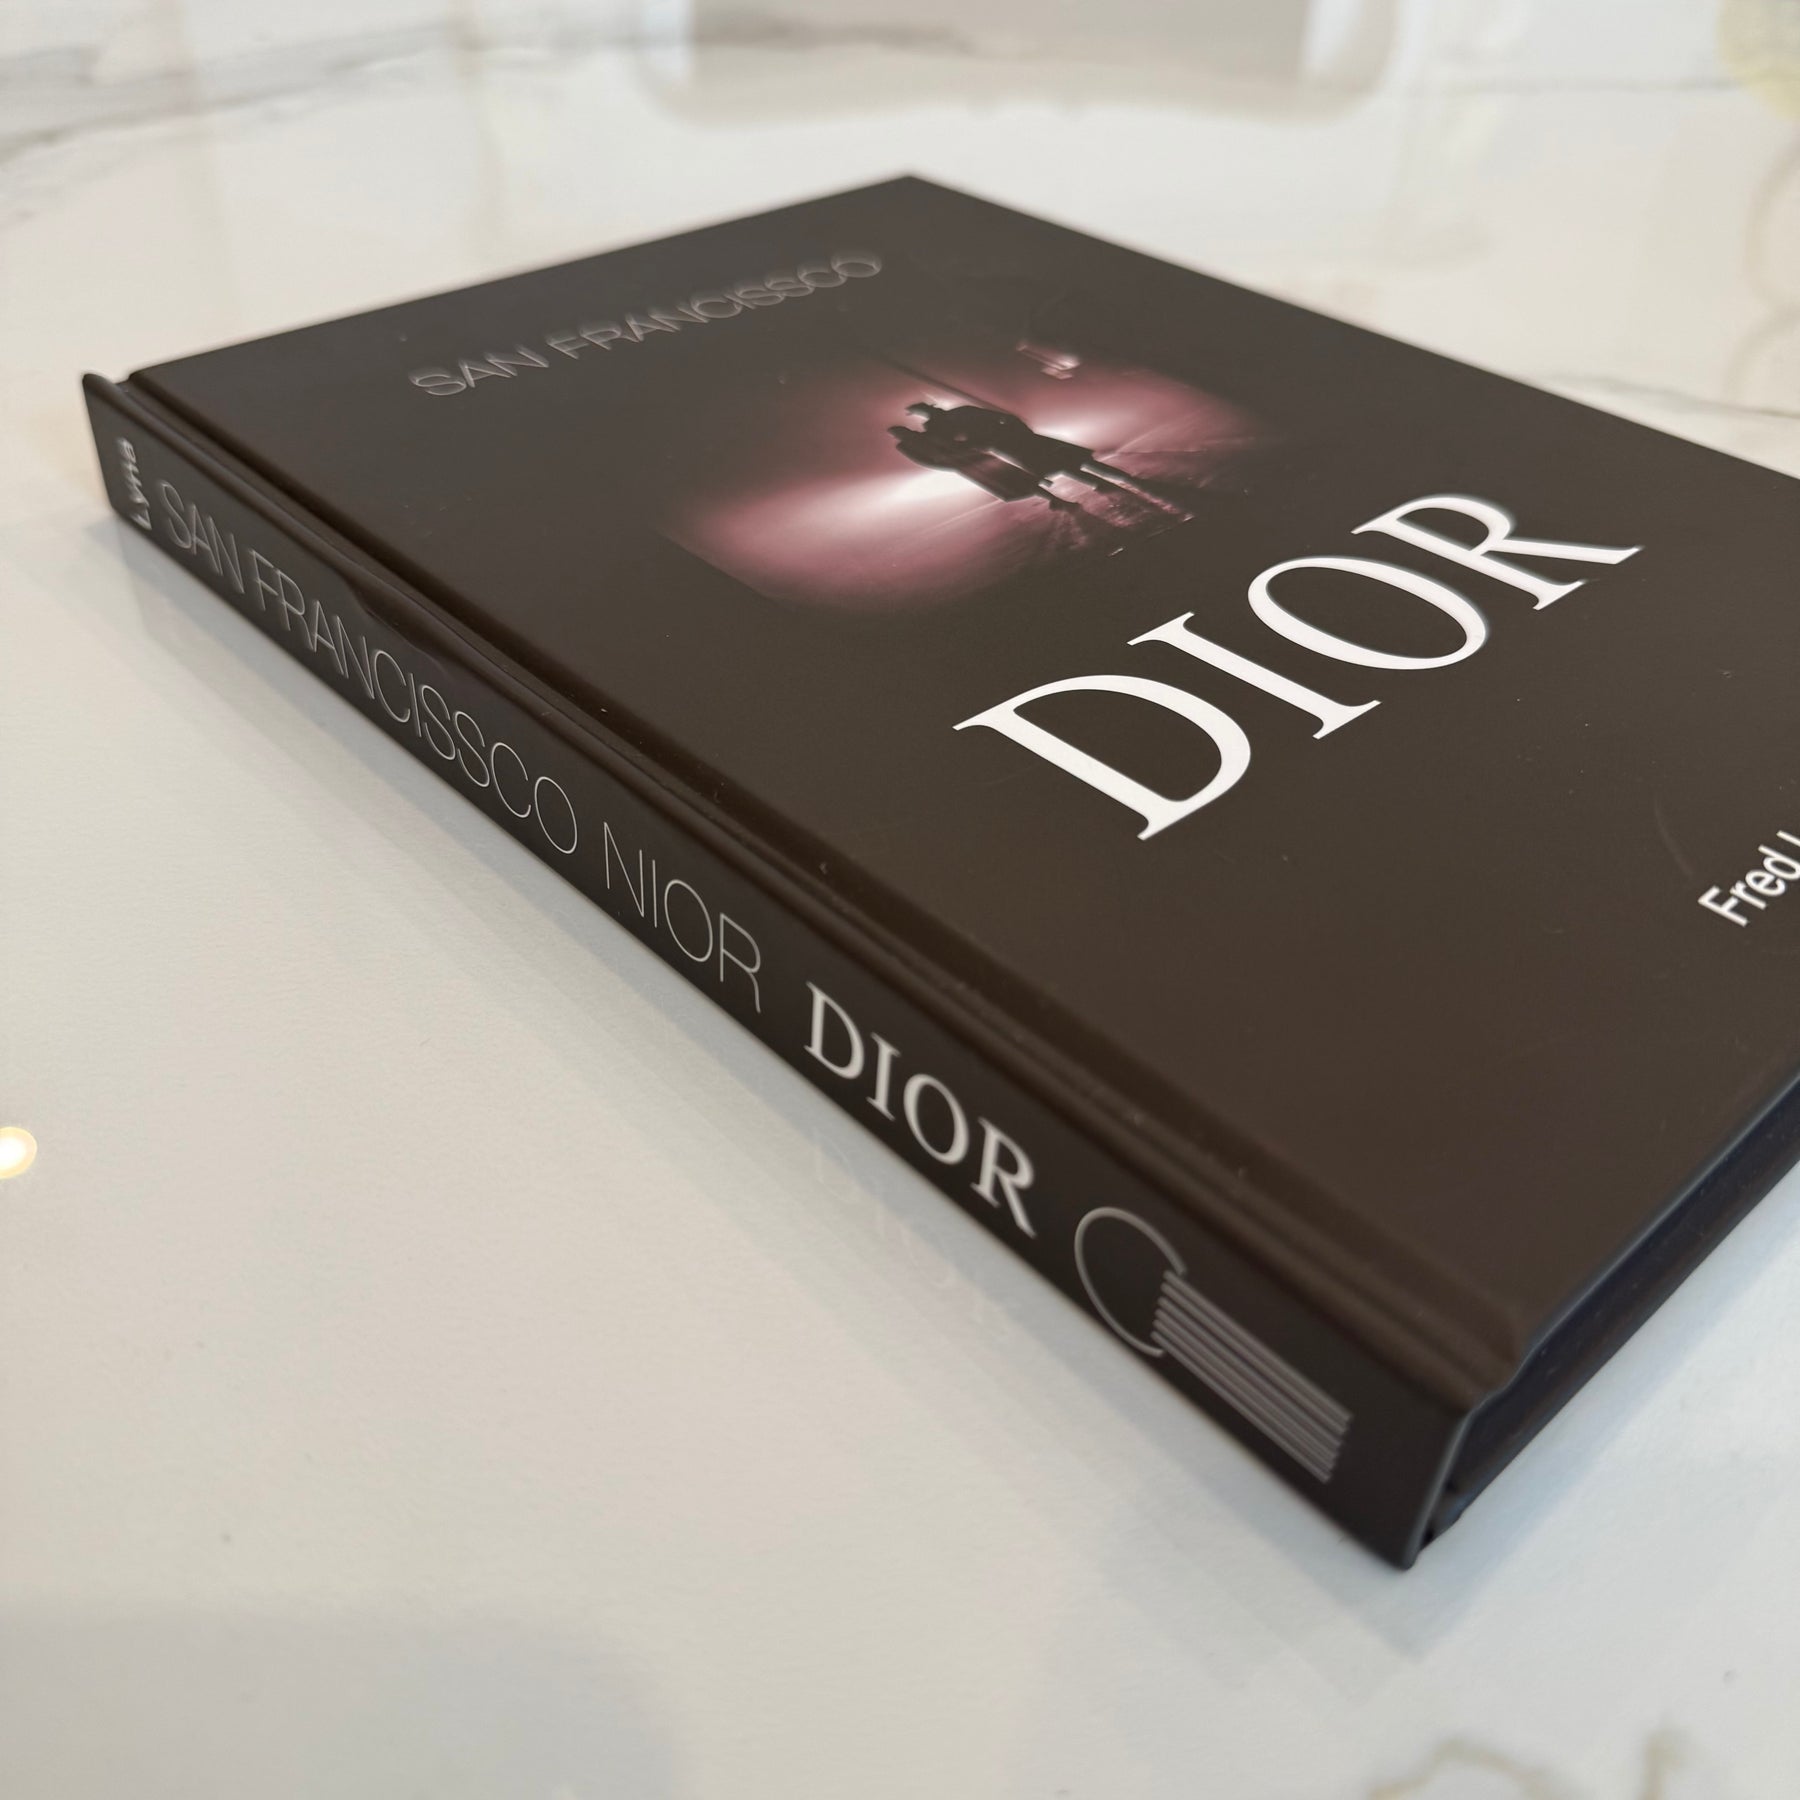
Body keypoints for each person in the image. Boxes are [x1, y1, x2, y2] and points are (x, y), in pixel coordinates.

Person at [903, 400, 1134, 499]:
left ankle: (1113, 481)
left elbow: (998, 420)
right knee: (1067, 462)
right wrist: (1017, 431)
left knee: (1067, 462)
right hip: (1009, 441)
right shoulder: (952, 418)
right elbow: (1002, 418)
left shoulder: (950, 420)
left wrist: (1012, 432)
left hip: (1008, 441)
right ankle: (1112, 481)